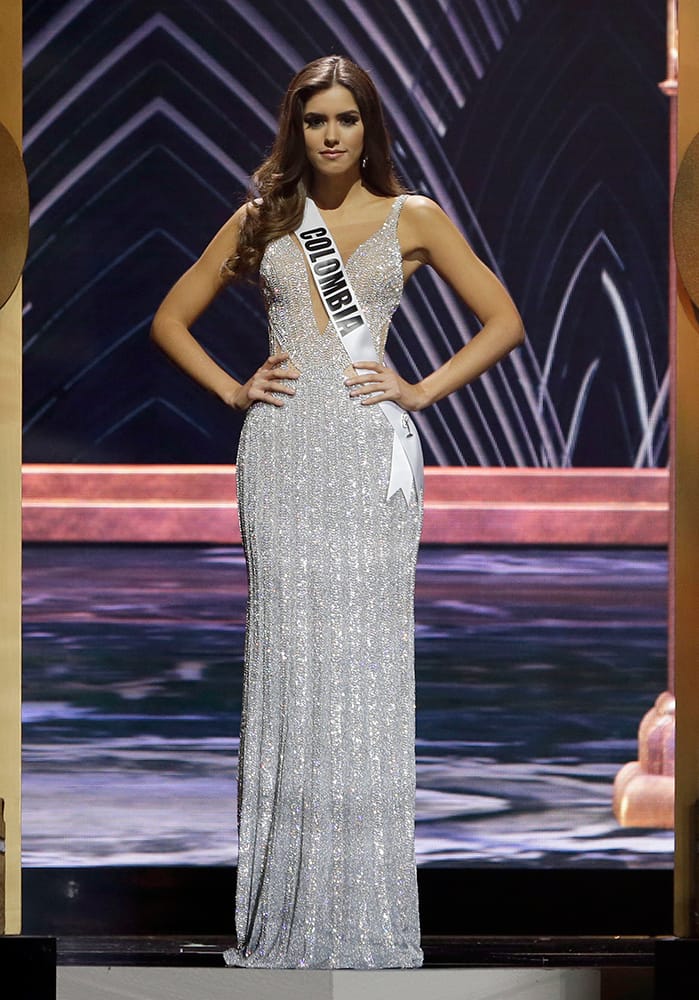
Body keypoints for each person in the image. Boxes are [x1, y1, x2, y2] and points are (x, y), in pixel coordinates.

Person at [151, 54, 524, 969]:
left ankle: (362, 908)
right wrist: (236, 391)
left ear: (369, 128)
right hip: (280, 457)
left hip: (367, 457)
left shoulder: (415, 219)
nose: (329, 134)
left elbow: (503, 321)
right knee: (289, 663)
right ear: (296, 127)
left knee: (361, 671)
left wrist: (419, 388)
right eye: (314, 118)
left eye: (345, 119)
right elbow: (169, 319)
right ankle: (284, 909)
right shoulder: (263, 219)